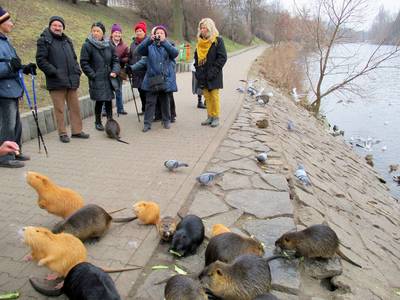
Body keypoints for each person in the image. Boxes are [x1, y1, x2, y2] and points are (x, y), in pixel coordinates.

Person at [36, 16, 89, 143]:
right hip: (56, 81)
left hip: (71, 80)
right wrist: (54, 72)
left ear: (63, 27)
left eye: (60, 26)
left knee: (75, 107)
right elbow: (41, 60)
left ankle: (76, 131)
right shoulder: (44, 40)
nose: (57, 27)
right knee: (59, 109)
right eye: (55, 25)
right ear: (50, 26)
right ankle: (62, 133)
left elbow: (74, 58)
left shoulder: (67, 40)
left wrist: (77, 71)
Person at [0, 7, 35, 168]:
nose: (12, 24)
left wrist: (24, 68)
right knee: (6, 125)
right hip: (3, 91)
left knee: (16, 124)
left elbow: (14, 64)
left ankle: (15, 151)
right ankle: (4, 157)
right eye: (9, 21)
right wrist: (10, 67)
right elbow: (6, 66)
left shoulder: (5, 41)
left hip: (12, 88)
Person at [135, 25, 178, 132]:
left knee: (165, 101)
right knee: (150, 102)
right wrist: (148, 40)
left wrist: (164, 42)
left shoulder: (169, 45)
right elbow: (138, 50)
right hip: (152, 78)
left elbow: (175, 53)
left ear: (165, 35)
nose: (159, 34)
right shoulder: (149, 46)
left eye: (161, 33)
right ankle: (147, 124)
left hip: (164, 79)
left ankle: (166, 121)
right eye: (157, 33)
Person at [80, 22, 120, 131]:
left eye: (98, 31)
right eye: (93, 31)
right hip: (97, 78)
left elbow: (115, 60)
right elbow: (84, 63)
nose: (95, 33)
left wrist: (115, 71)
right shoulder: (87, 45)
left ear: (103, 33)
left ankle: (110, 121)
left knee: (108, 100)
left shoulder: (109, 45)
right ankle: (98, 122)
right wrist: (93, 75)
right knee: (99, 100)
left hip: (108, 77)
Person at [194, 18, 227, 128]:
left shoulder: (217, 40)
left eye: (205, 28)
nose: (203, 30)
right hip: (202, 75)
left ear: (210, 28)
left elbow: (222, 58)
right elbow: (196, 58)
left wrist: (213, 71)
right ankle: (209, 117)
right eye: (201, 28)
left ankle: (216, 117)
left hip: (214, 74)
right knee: (207, 97)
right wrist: (198, 72)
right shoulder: (199, 42)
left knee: (214, 96)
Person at [128, 21, 147, 115]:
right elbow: (130, 56)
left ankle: (150, 110)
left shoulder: (148, 42)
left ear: (144, 32)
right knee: (141, 92)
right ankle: (144, 109)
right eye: (137, 31)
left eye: (140, 30)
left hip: (146, 72)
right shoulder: (132, 44)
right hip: (136, 72)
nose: (139, 32)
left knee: (146, 92)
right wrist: (128, 65)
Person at [109, 23, 129, 115]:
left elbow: (128, 57)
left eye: (119, 33)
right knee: (108, 90)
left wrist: (120, 60)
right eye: (115, 32)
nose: (117, 35)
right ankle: (105, 110)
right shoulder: (106, 44)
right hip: (109, 70)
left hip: (120, 70)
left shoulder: (124, 46)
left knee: (119, 90)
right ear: (112, 34)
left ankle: (120, 109)